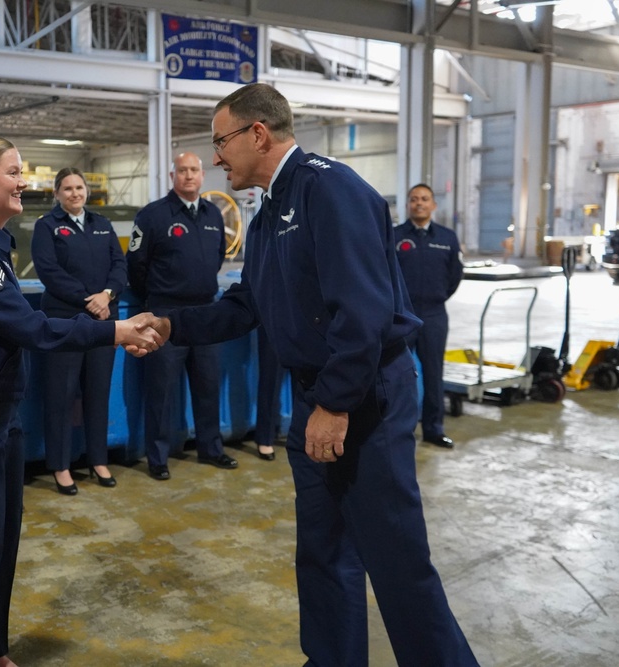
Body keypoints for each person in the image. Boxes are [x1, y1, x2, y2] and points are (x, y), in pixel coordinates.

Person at [146, 83, 478, 666]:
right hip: (316, 395)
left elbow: (364, 311)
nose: (217, 157)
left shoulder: (330, 191)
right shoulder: (271, 208)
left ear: (258, 133)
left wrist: (336, 403)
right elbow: (248, 303)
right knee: (323, 550)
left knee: (396, 558)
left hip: (362, 398)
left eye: (221, 141)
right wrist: (172, 326)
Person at [0, 134, 164, 667]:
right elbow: (31, 328)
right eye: (13, 171)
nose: (24, 181)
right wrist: (116, 332)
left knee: (0, 549)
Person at [126, 151, 237, 481]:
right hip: (165, 315)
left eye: (194, 170)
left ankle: (211, 447)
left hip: (206, 313)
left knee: (208, 385)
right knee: (160, 389)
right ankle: (158, 457)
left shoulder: (214, 215)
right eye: (182, 170)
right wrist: (162, 296)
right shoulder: (152, 216)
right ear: (172, 176)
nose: (189, 176)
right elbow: (136, 266)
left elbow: (218, 258)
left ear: (202, 176)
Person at [31, 167, 127, 494]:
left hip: (103, 321)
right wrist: (89, 300)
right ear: (56, 194)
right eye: (67, 188)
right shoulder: (47, 227)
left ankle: (98, 460)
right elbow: (49, 272)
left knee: (98, 391)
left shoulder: (102, 225)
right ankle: (60, 466)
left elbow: (119, 265)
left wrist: (108, 295)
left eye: (79, 187)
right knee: (61, 393)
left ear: (87, 191)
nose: (75, 193)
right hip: (65, 321)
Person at [394, 184, 464, 449]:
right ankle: (398, 429)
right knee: (397, 373)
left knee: (434, 374)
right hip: (403, 316)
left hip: (434, 315)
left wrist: (437, 297)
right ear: (408, 205)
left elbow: (455, 276)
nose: (419, 203)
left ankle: (434, 429)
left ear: (434, 205)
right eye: (413, 199)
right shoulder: (395, 237)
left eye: (424, 199)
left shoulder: (447, 238)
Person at [253, 325, 286, 461]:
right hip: (273, 312)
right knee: (270, 374)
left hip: (306, 314)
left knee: (306, 377)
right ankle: (265, 437)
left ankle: (305, 435)